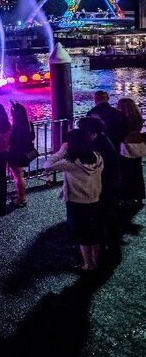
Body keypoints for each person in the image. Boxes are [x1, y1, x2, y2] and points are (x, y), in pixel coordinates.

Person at [44, 129, 104, 272]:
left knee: (82, 233)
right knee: (94, 231)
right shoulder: (98, 157)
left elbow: (47, 166)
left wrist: (61, 151)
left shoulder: (70, 163)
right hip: (95, 199)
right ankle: (96, 261)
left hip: (77, 202)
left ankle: (88, 265)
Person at [78, 116, 121, 260]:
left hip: (103, 186)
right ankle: (113, 250)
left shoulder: (98, 146)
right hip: (110, 184)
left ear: (89, 131)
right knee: (108, 218)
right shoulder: (102, 139)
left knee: (101, 219)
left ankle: (101, 255)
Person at [117, 98, 145, 205]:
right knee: (137, 172)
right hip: (138, 145)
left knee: (125, 172)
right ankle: (139, 195)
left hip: (126, 147)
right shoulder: (137, 117)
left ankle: (126, 196)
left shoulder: (121, 118)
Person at [8, 103, 36, 208]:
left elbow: (11, 141)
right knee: (20, 175)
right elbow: (33, 137)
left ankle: (21, 199)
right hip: (25, 152)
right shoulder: (29, 123)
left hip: (15, 153)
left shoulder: (15, 126)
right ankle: (20, 195)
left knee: (18, 177)